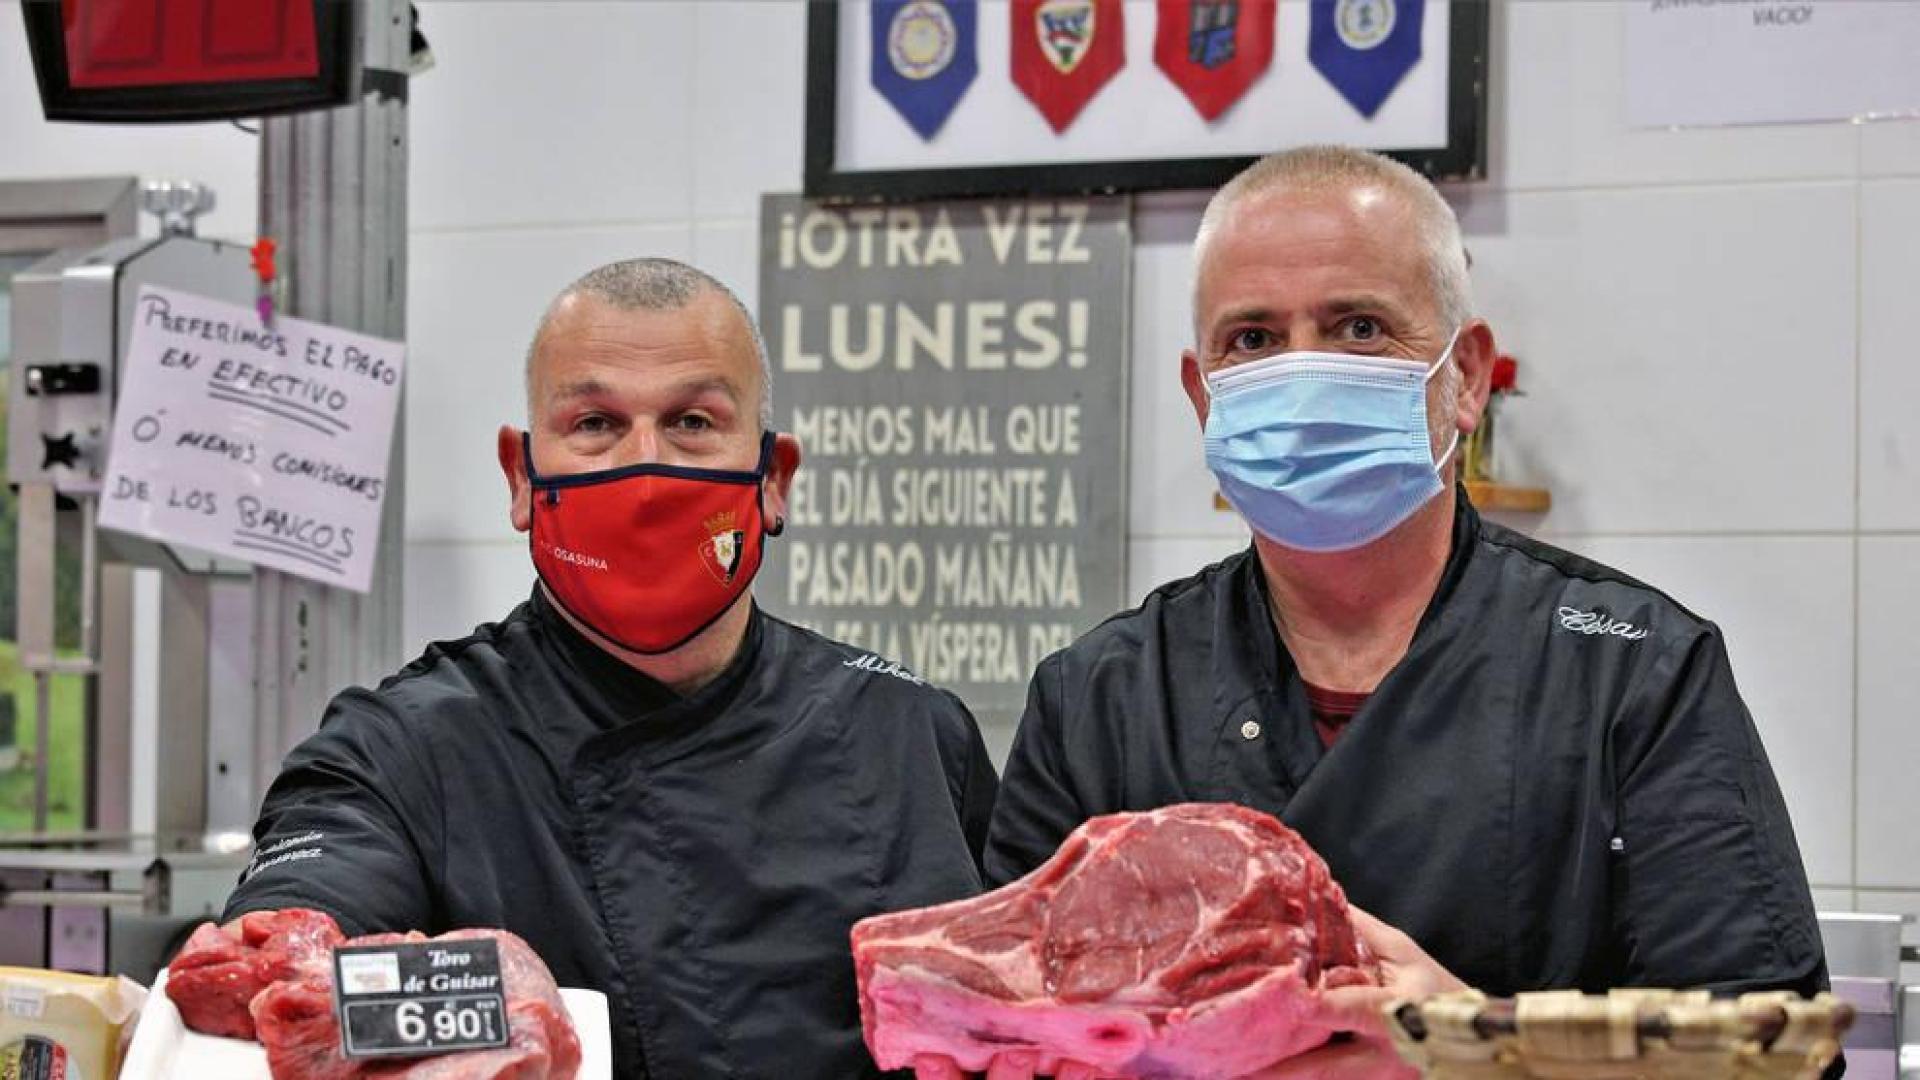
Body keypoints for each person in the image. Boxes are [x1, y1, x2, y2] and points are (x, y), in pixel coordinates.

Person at [982, 147, 1828, 1078]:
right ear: (1203, 395)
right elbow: (993, 1043)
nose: (1303, 381)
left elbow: (1768, 1057)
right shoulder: (1101, 698)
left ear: (1465, 376)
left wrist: (1482, 1051)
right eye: (1253, 340)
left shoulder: (1633, 674)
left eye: (1358, 327)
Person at [224, 258, 999, 1078]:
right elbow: (283, 958)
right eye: (595, 423)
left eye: (693, 421)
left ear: (774, 480)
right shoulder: (400, 751)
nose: (646, 472)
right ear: (522, 476)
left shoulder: (911, 734)